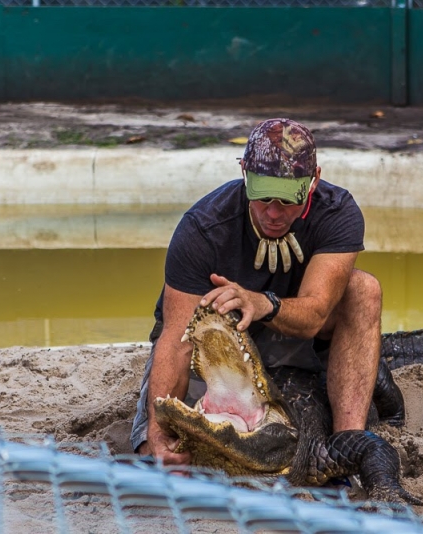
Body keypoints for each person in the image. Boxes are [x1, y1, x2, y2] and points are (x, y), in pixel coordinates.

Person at [130, 118, 383, 466]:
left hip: (297, 333)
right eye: (262, 196)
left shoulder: (337, 213)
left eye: (288, 199)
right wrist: (159, 435)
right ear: (244, 174)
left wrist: (261, 302)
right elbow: (176, 340)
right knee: (156, 449)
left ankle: (346, 449)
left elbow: (315, 313)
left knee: (363, 287)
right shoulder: (203, 228)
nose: (274, 213)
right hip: (217, 351)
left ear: (314, 181)